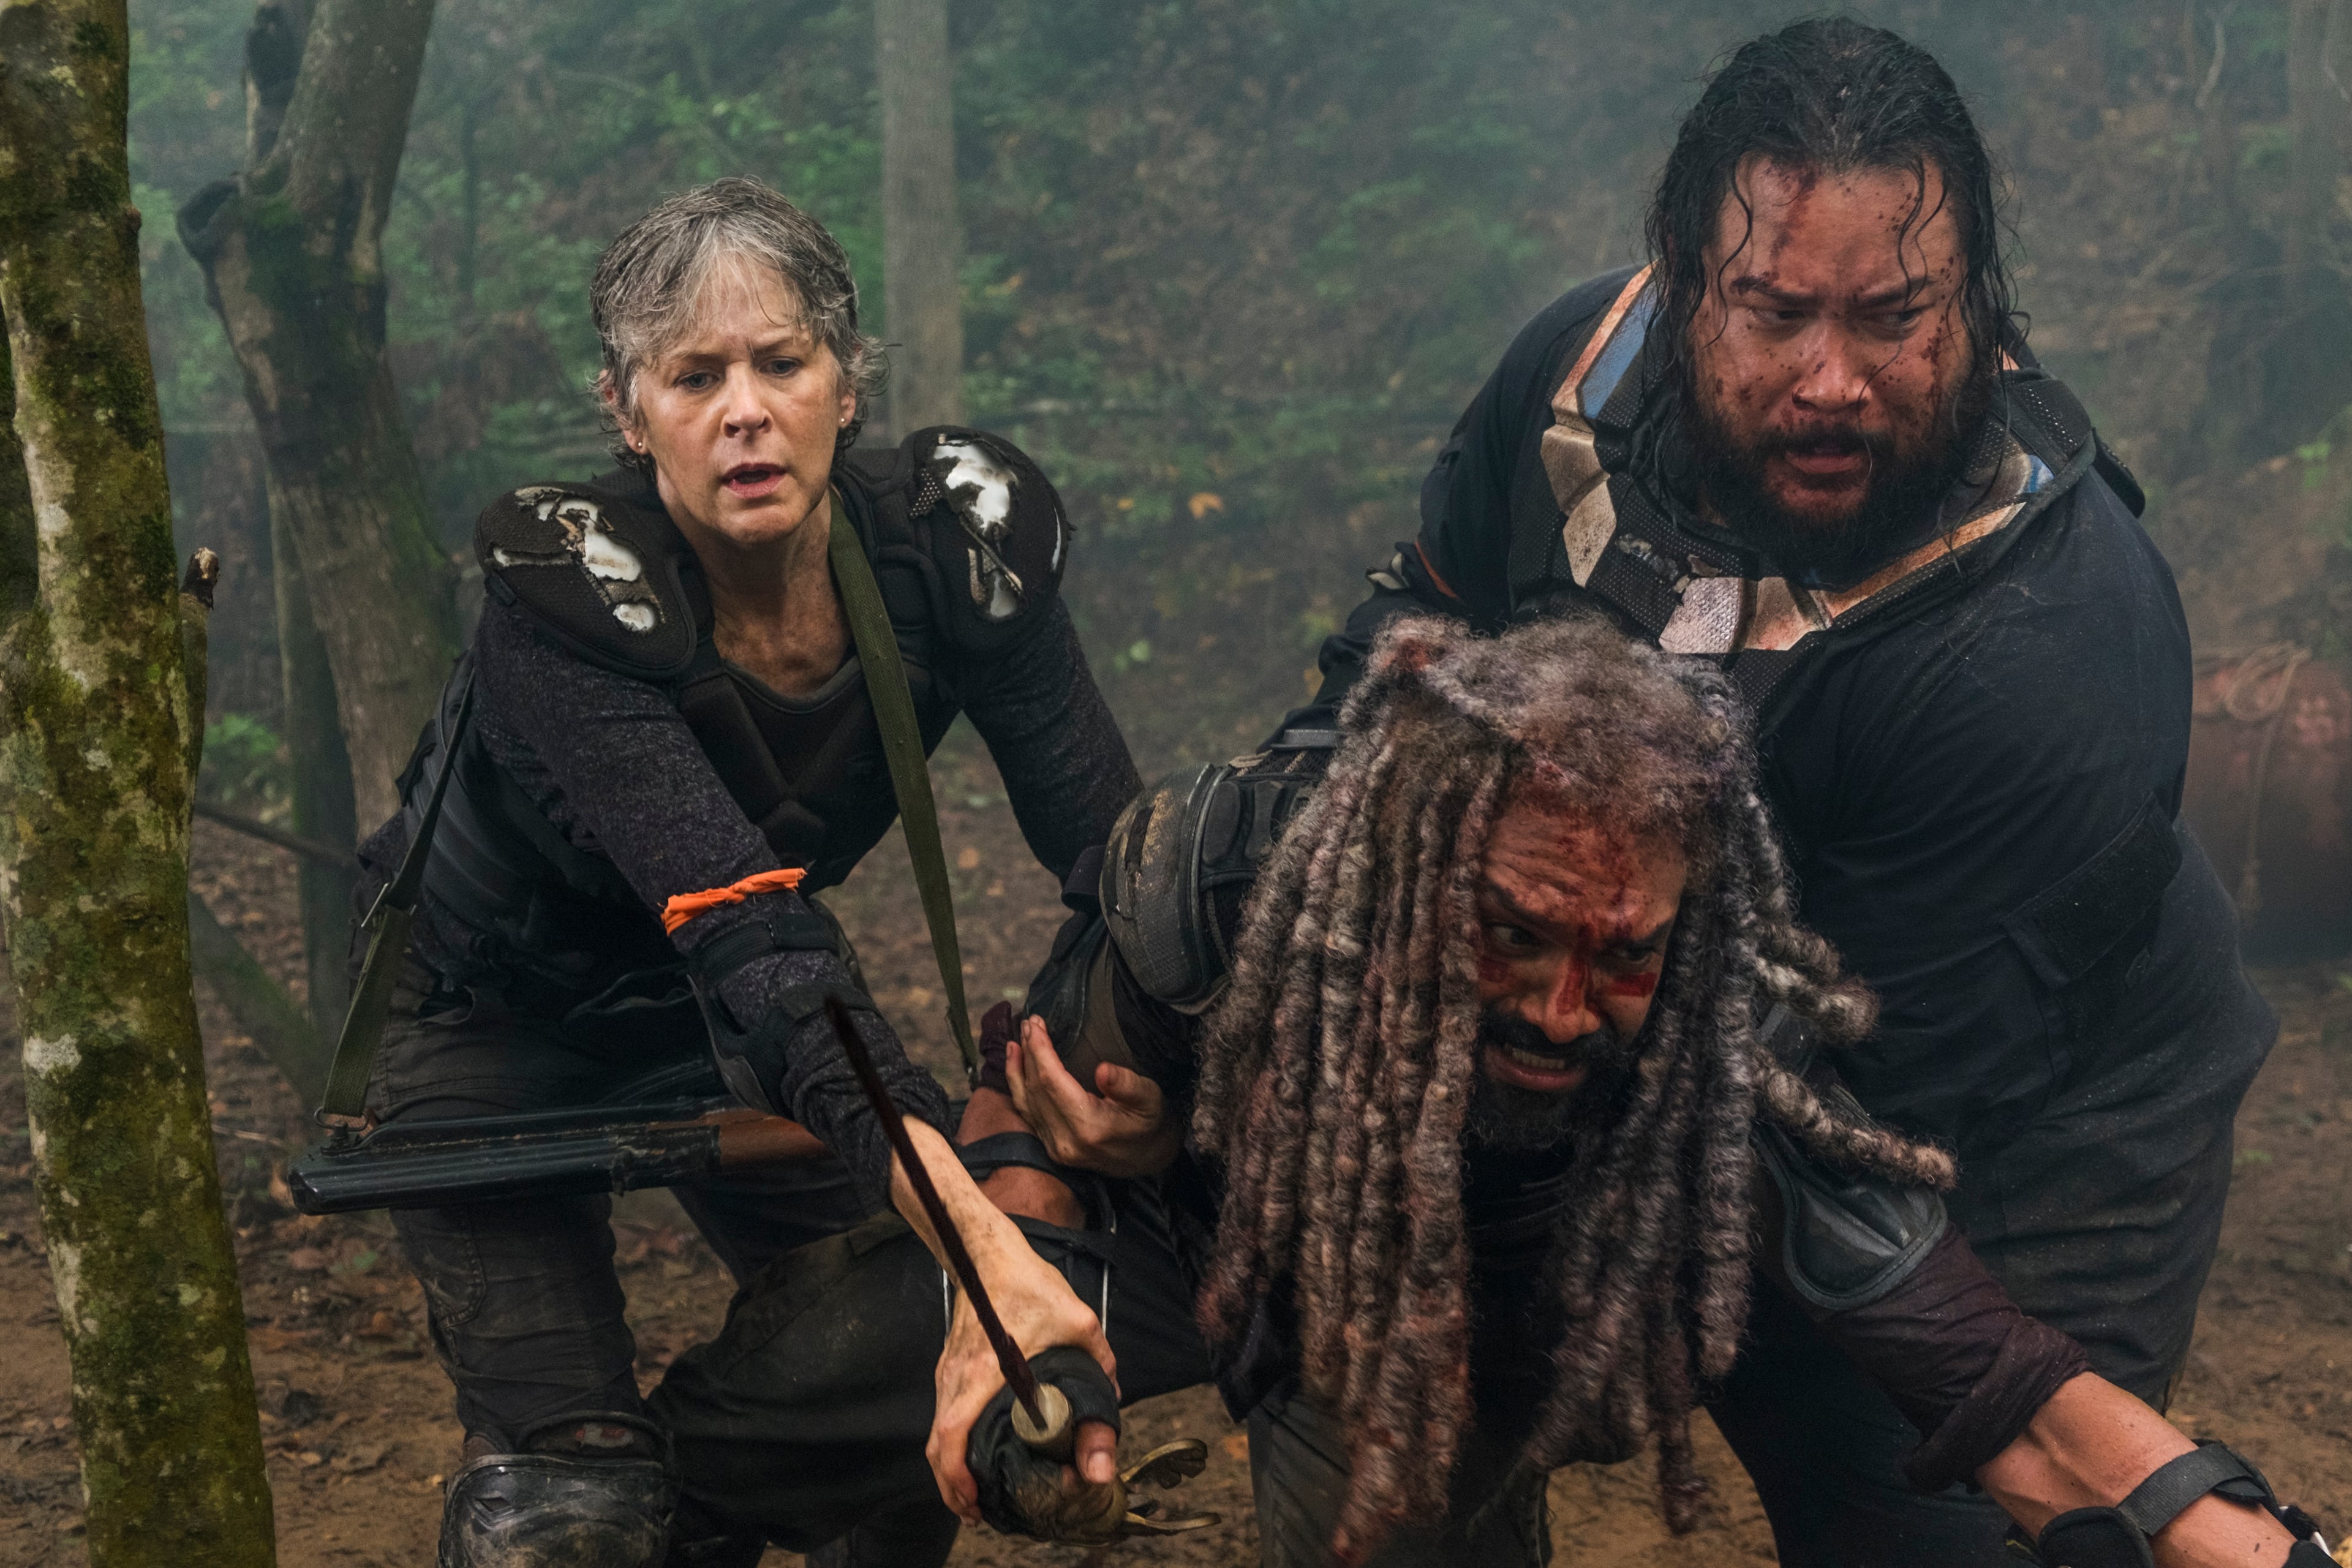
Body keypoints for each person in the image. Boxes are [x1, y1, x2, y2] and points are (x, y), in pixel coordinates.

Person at [644, 617, 2325, 1568]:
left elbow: (1974, 1353)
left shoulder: (1704, 1029)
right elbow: (1037, 1104)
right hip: (1182, 1223)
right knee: (790, 1394)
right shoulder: (1225, 882)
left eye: (1620, 952)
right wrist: (1027, 1311)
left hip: (1431, 1342)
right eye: (1511, 934)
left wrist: (2210, 1524)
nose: (1562, 1004)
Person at [1284, 19, 2278, 1566]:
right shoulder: (1571, 388)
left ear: (1980, 306)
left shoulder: (2057, 645)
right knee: (1398, 1415)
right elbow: (1394, 669)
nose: (1833, 381)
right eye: (1774, 311)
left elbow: (1843, 1121)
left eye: (1896, 317)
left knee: (1938, 1514)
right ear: (1690, 282)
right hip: (1644, 1004)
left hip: (2019, 1118)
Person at [350, 178, 1130, 1566]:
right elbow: (760, 941)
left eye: (783, 362)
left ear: (847, 382)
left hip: (719, 1026)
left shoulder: (960, 546)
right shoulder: (564, 599)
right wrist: (978, 1229)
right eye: (694, 375)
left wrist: (1116, 1102)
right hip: (487, 1022)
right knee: (576, 1515)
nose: (745, 411)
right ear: (627, 409)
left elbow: (1117, 861)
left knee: (897, 1390)